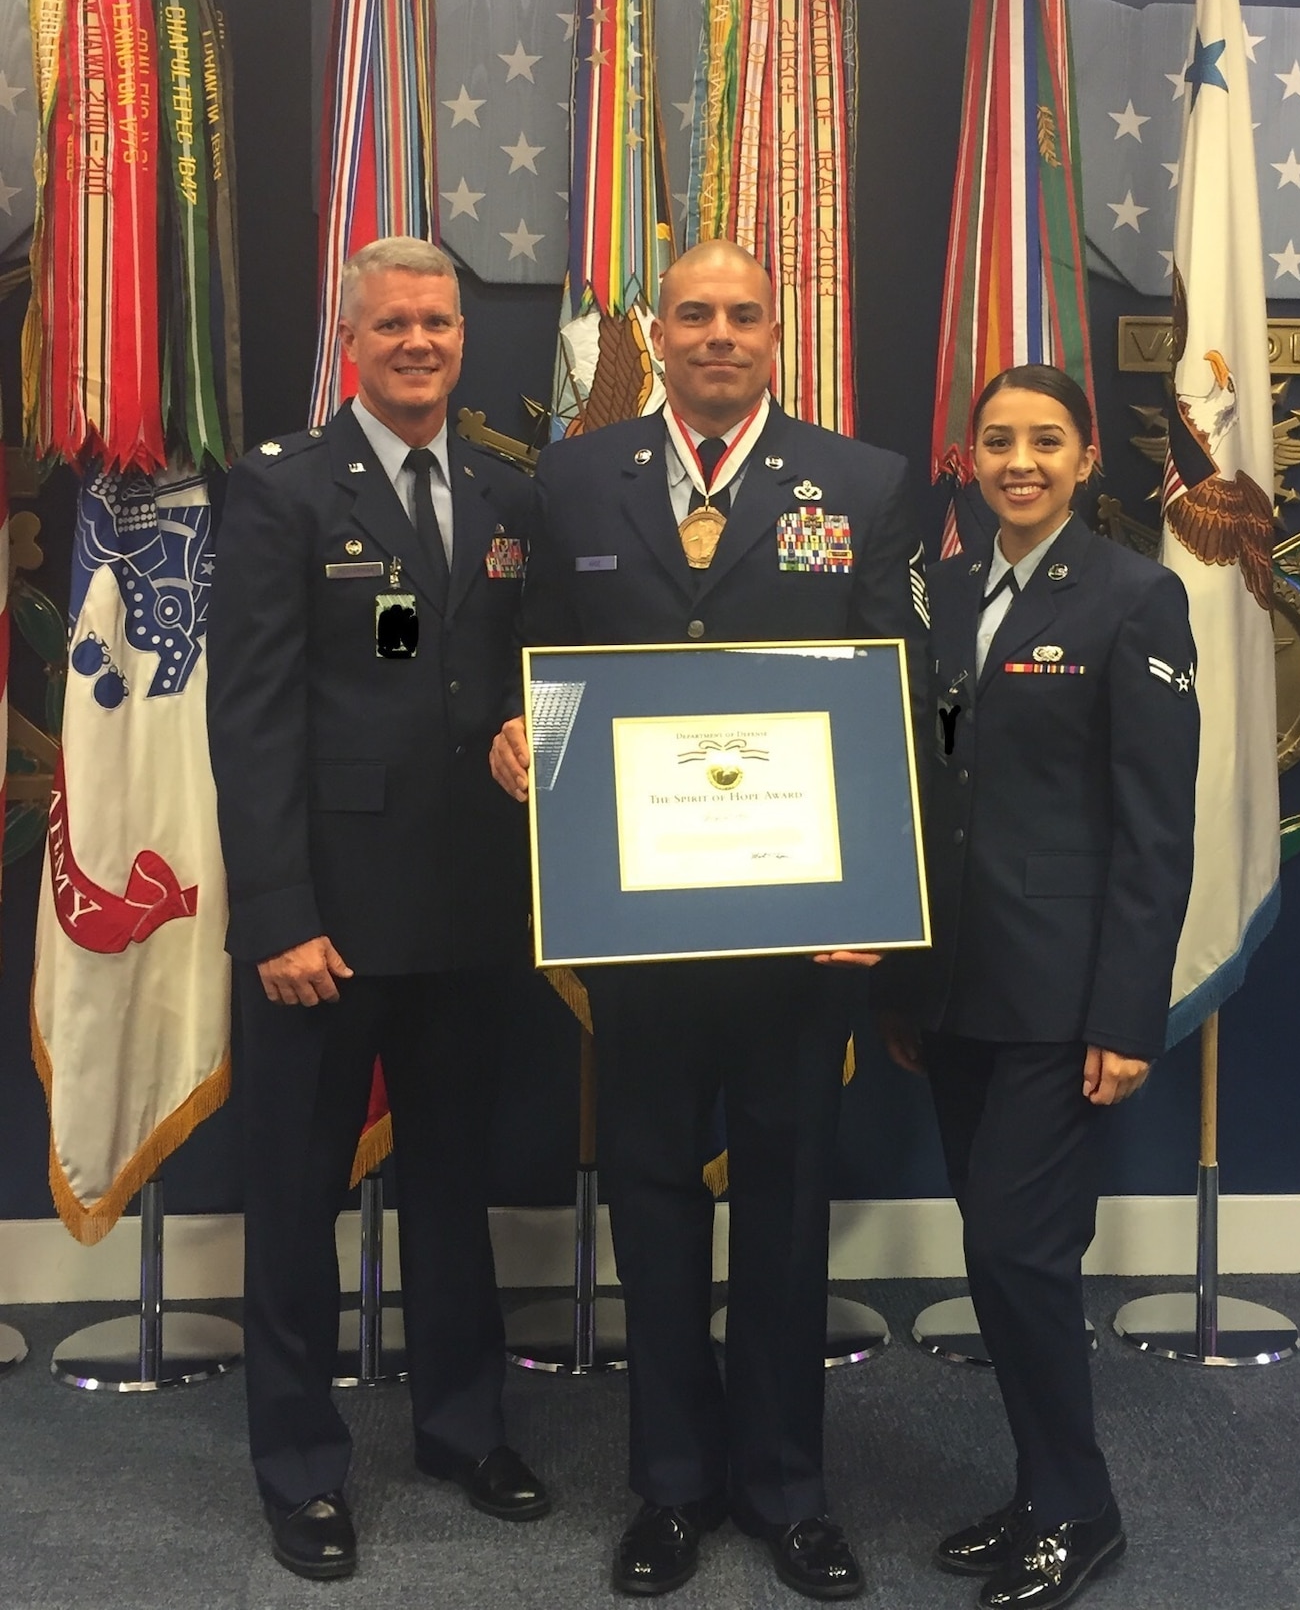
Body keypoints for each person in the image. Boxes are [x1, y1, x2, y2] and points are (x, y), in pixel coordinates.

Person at [490, 240, 930, 1601]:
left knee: (790, 1211)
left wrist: (877, 887)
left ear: (778, 333)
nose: (721, 334)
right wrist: (516, 735)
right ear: (660, 333)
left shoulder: (859, 483)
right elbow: (539, 662)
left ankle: (790, 1489)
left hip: (803, 936)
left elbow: (895, 694)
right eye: (696, 314)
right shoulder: (571, 479)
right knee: (658, 1200)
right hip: (641, 929)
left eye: (745, 314)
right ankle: (672, 1486)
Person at [208, 236, 548, 1581]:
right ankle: (300, 1468)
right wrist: (278, 913)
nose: (421, 343)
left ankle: (463, 1429)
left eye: (441, 323)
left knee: (455, 1187)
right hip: (327, 925)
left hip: (470, 910)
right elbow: (250, 719)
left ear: (467, 338)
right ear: (353, 338)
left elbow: (530, 668)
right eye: (395, 323)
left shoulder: (511, 486)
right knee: (296, 1201)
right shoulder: (285, 487)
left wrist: (532, 722)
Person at [879, 364, 1199, 1610]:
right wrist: (904, 986)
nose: (1021, 459)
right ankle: (1037, 1489)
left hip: (1063, 995)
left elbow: (1152, 826)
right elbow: (929, 780)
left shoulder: (1135, 596)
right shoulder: (945, 589)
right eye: (999, 439)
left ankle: (1082, 1506)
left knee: (1019, 1250)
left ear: (1083, 459)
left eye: (1046, 440)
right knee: (999, 1247)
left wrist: (1129, 1011)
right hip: (956, 983)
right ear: (970, 455)